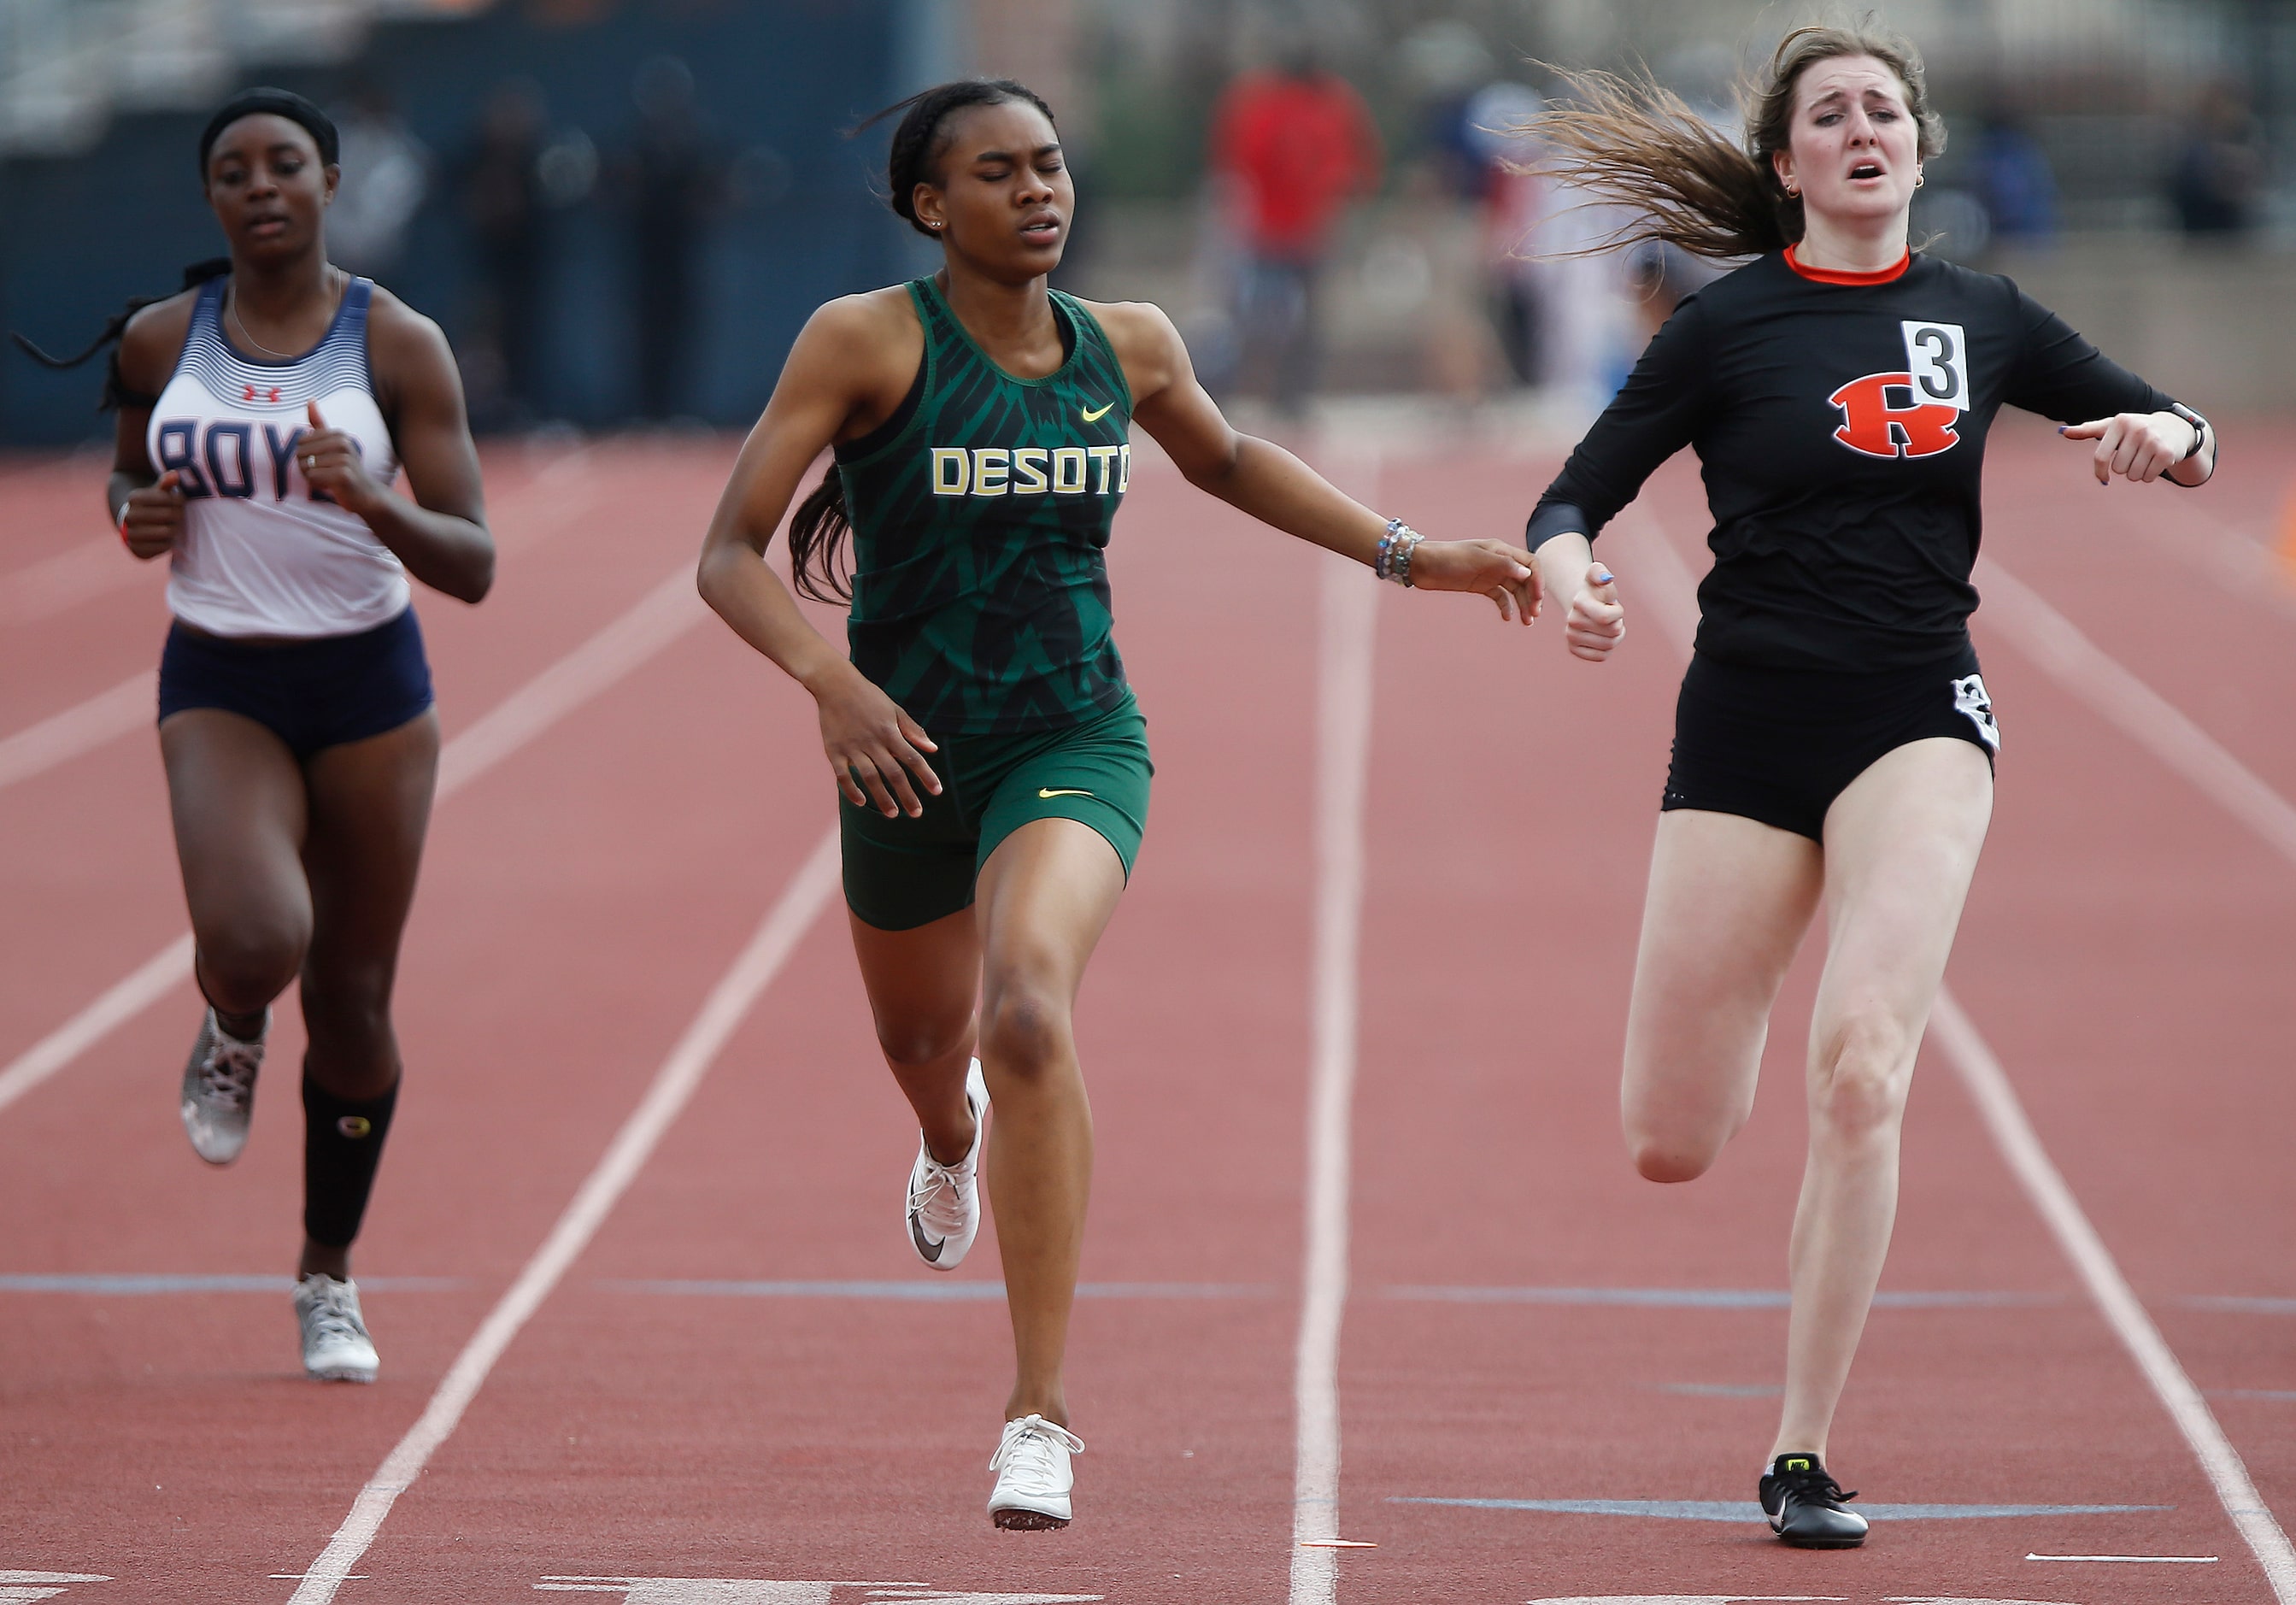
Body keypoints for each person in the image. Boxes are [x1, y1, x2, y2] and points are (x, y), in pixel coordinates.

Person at [696, 78, 1540, 1530]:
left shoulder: (1127, 344)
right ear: (928, 206)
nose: (1039, 193)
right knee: (923, 1041)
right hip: (903, 749)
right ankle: (948, 1139)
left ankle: (1038, 1413)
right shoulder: (864, 341)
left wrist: (1421, 554)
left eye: (1051, 167)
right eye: (998, 173)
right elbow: (727, 553)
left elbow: (1228, 462)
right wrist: (828, 687)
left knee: (1028, 1006)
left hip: (1074, 737)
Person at [1517, 26, 2216, 1548]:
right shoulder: (1725, 328)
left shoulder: (1982, 314)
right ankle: (1752, 968)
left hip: (1916, 712)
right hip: (1745, 730)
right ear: (1785, 164)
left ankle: (1797, 1449)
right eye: (1826, 113)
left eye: (1881, 109)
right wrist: (1568, 575)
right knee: (1670, 1133)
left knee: (1864, 1068)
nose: (1859, 129)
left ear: (1919, 144)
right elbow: (1574, 491)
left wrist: (2163, 434)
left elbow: (2181, 427)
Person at [98, 88, 491, 1383]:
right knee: (261, 936)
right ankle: (229, 1019)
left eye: (283, 165)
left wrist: (370, 498)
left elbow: (474, 560)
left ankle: (327, 1274)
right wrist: (135, 515)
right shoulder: (162, 340)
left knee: (356, 1001)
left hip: (371, 689)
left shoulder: (400, 344)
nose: (258, 187)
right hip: (221, 675)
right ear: (210, 196)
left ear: (329, 180)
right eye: (231, 170)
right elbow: (126, 471)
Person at [1207, 46, 1383, 415]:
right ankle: (1235, 387)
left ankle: (1290, 394)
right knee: (1256, 315)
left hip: (1309, 229)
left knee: (1302, 319)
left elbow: (1356, 159)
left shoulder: (1331, 100)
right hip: (1269, 231)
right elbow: (1241, 162)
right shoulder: (1263, 100)